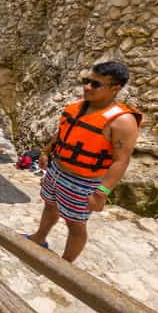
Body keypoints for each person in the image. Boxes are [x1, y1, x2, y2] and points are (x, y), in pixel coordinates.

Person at [26, 62, 141, 262]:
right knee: (49, 205)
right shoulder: (77, 107)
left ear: (116, 88)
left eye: (96, 84)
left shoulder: (122, 122)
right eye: (86, 81)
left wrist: (102, 192)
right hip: (57, 170)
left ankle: (66, 266)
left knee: (75, 224)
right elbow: (63, 132)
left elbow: (121, 160)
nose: (87, 87)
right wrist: (46, 151)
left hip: (83, 182)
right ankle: (39, 238)